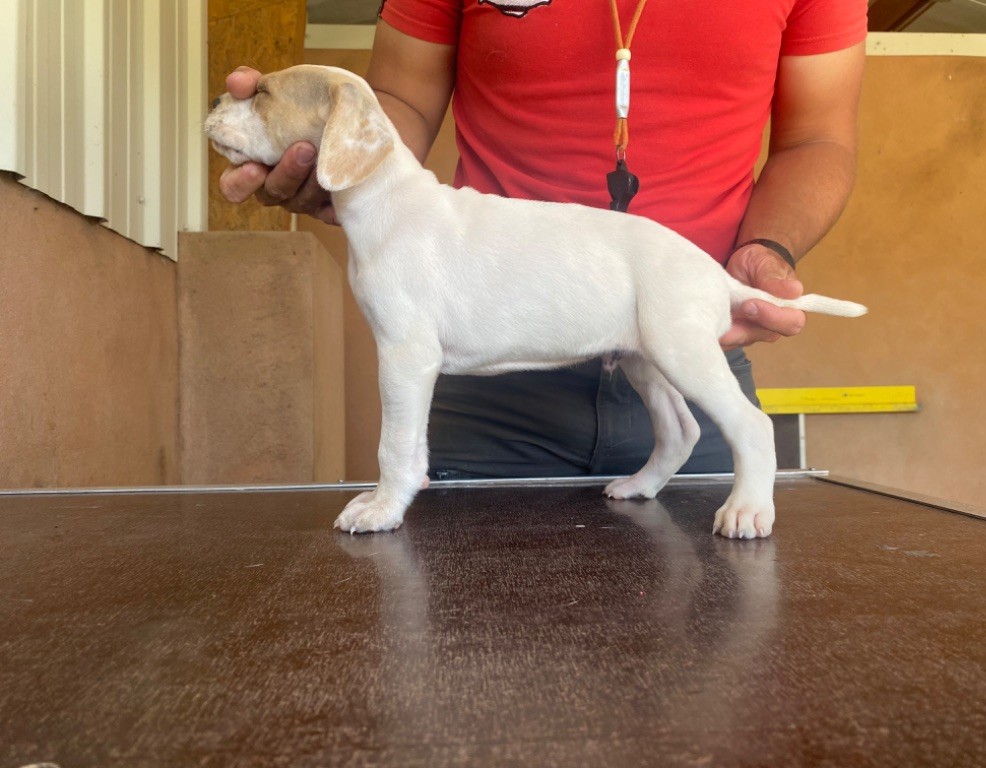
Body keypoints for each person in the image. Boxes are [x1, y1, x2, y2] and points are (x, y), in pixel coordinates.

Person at [219, 0, 867, 480]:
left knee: (719, 622)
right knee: (455, 634)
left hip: (686, 336)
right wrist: (340, 166)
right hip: (488, 385)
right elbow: (398, 99)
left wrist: (769, 247)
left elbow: (818, 139)